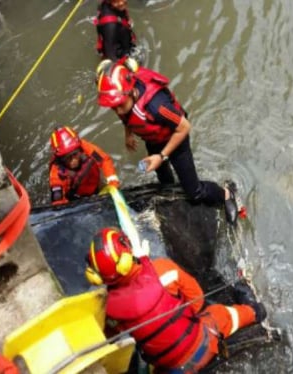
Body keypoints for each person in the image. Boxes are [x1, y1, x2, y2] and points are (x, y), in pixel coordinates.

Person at [84, 227, 266, 373]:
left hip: (170, 368)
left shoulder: (111, 310)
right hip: (202, 344)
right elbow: (197, 298)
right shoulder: (163, 269)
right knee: (221, 313)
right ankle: (255, 312)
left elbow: (110, 337)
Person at [96, 61, 239, 224]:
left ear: (131, 92)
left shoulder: (157, 106)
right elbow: (126, 116)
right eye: (113, 107)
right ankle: (174, 197)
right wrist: (128, 134)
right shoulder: (123, 102)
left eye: (119, 105)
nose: (117, 110)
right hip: (154, 139)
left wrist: (162, 156)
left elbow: (185, 127)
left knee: (194, 192)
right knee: (165, 180)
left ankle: (227, 194)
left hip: (176, 139)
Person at [49, 126, 120, 205]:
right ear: (61, 158)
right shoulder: (57, 174)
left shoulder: (85, 147)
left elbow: (104, 160)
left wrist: (113, 183)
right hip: (78, 199)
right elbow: (58, 202)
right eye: (67, 157)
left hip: (96, 186)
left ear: (79, 150)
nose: (73, 160)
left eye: (75, 154)